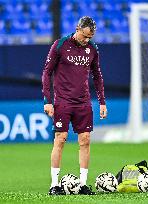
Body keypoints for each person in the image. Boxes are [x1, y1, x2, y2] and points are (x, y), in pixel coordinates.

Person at [42, 16, 107, 195]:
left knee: (85, 140)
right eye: (84, 36)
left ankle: (83, 184)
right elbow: (47, 73)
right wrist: (48, 101)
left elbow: (97, 76)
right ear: (78, 28)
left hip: (83, 102)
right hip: (63, 101)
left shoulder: (92, 49)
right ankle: (54, 185)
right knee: (60, 139)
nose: (86, 40)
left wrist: (102, 101)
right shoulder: (60, 45)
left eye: (90, 38)